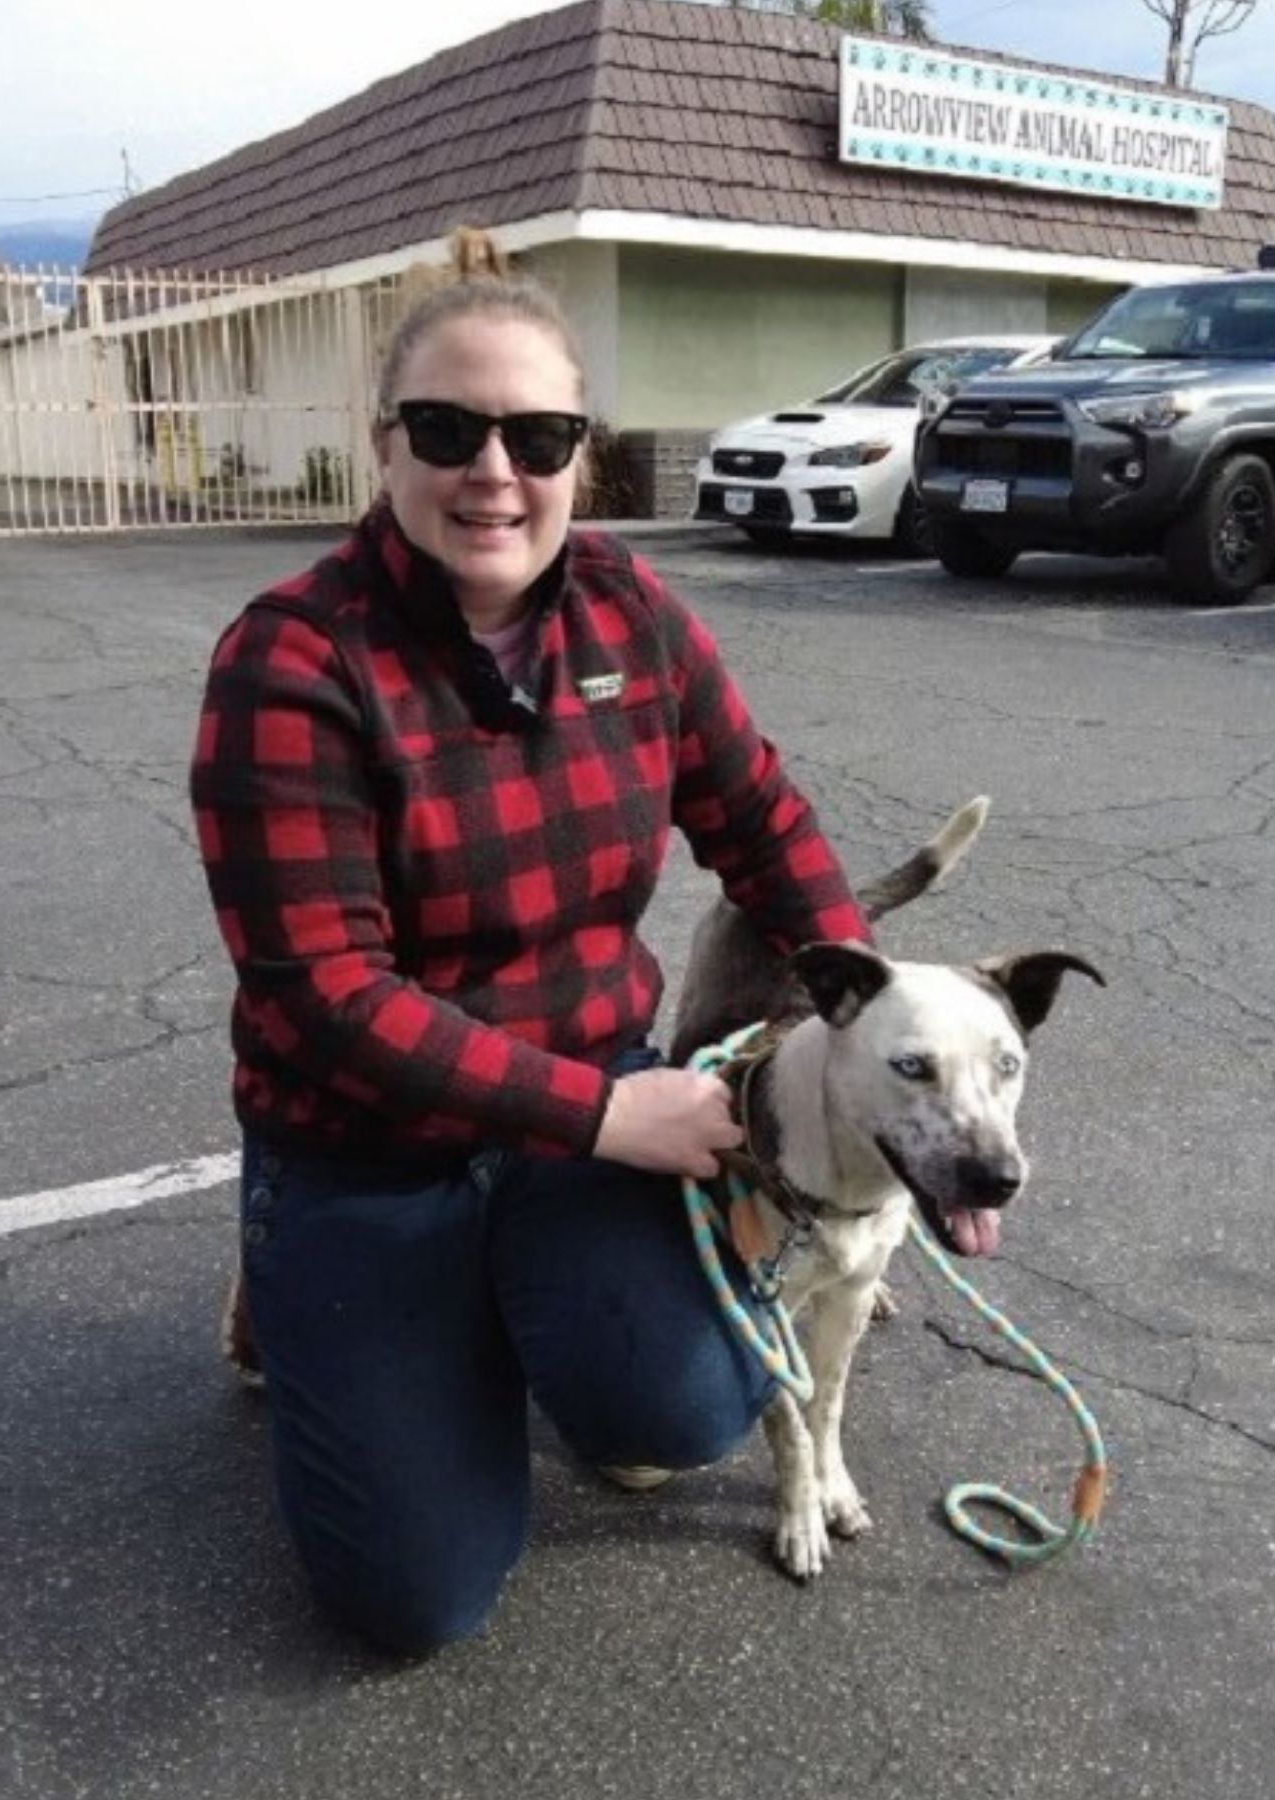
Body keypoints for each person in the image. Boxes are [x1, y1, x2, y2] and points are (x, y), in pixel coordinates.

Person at [190, 229, 871, 1654]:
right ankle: (310, 1274)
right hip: (368, 1143)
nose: (494, 470)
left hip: (575, 1104)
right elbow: (325, 997)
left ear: (581, 452)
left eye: (540, 434)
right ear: (384, 446)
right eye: (449, 429)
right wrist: (611, 1116)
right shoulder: (293, 662)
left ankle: (504, 1303)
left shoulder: (632, 609)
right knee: (411, 1603)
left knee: (681, 1411)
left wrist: (861, 1007)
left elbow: (761, 817)